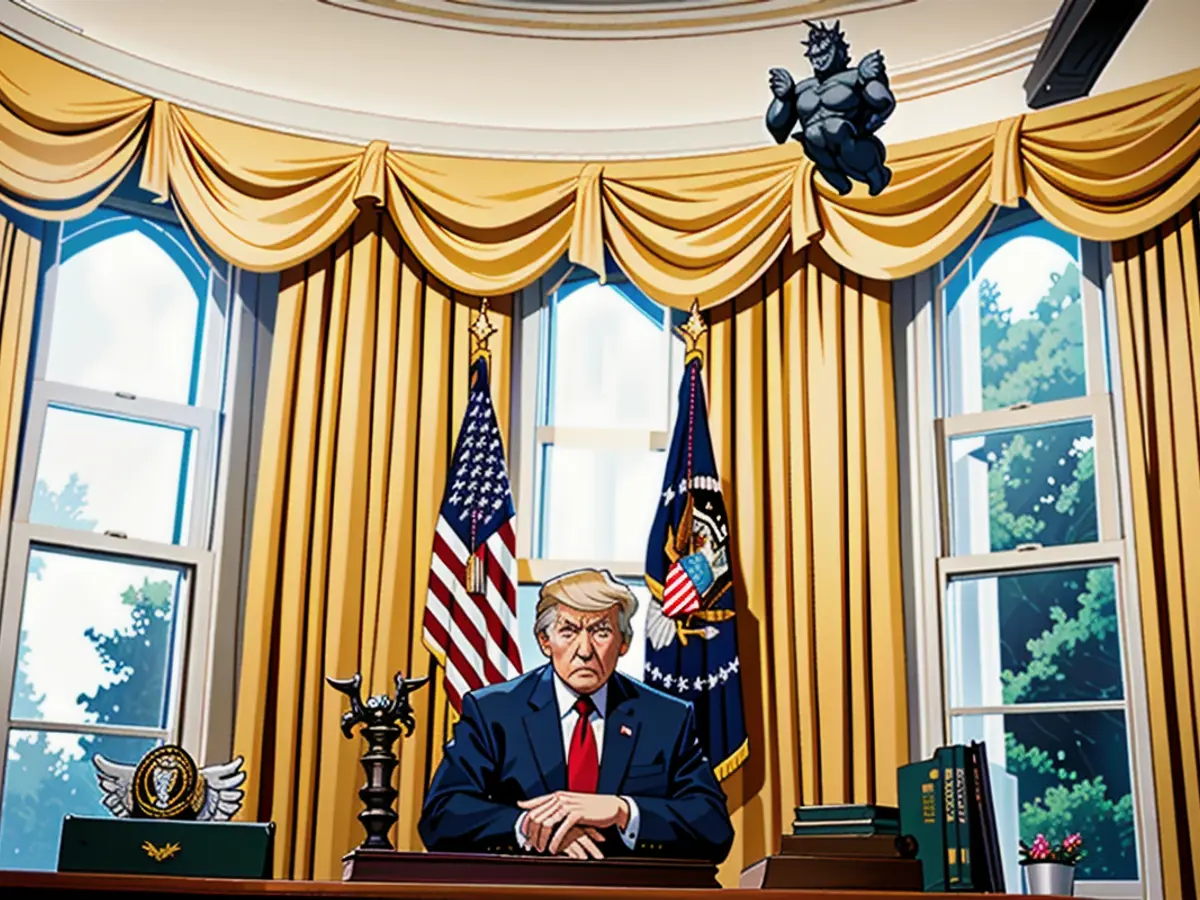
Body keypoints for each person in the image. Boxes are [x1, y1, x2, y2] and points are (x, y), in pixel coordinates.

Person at [418, 568, 734, 862]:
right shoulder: (493, 712)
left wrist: (623, 810)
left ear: (623, 642)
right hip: (524, 893)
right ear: (545, 641)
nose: (584, 650)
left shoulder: (667, 718)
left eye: (601, 631)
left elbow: (713, 828)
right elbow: (441, 817)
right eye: (568, 631)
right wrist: (531, 826)